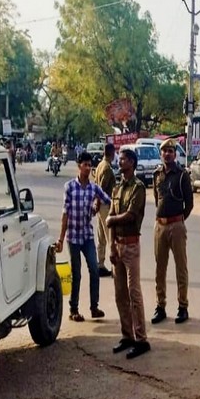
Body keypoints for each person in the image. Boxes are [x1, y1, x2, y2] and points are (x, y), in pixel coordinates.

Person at [55, 151, 112, 322]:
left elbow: (108, 199)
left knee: (94, 270)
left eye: (90, 165)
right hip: (73, 236)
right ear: (78, 166)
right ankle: (74, 309)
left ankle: (94, 307)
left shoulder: (94, 188)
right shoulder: (70, 187)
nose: (88, 168)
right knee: (76, 274)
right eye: (85, 165)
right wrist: (60, 238)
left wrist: (98, 204)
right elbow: (65, 213)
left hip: (87, 235)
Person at [106, 148, 150, 359]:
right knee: (120, 294)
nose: (119, 161)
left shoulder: (138, 188)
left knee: (134, 293)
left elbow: (131, 215)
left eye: (123, 159)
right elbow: (113, 216)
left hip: (132, 245)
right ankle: (127, 335)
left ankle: (141, 338)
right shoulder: (117, 187)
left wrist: (112, 220)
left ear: (131, 162)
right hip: (119, 245)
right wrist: (112, 245)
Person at [151, 138, 194, 325]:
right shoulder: (156, 174)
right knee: (160, 268)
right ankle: (160, 306)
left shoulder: (182, 175)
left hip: (177, 225)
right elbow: (156, 197)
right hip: (160, 225)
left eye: (170, 151)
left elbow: (189, 203)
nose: (167, 154)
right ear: (161, 154)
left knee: (180, 267)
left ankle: (182, 306)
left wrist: (179, 219)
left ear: (175, 154)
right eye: (164, 151)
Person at [94, 143, 116, 278]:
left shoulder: (100, 165)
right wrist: (98, 201)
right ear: (112, 153)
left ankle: (100, 264)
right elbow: (101, 188)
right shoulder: (107, 168)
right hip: (105, 205)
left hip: (99, 205)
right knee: (110, 237)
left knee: (101, 237)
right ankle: (115, 267)